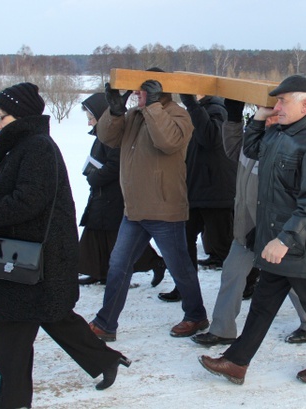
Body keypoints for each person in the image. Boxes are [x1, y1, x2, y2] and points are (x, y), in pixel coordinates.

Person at [0, 82, 130, 409]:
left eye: (1, 116)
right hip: (28, 252)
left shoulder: (37, 148)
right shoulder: (21, 146)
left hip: (37, 256)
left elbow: (27, 201)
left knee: (12, 331)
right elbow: (14, 196)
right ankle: (105, 361)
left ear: (21, 116)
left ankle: (13, 401)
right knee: (54, 316)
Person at [198, 75, 306, 385]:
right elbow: (251, 149)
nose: (277, 106)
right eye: (276, 101)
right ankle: (237, 362)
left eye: (282, 101)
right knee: (263, 304)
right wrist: (259, 117)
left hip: (303, 246)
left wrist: (284, 240)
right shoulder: (281, 131)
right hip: (275, 240)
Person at [89, 68, 208, 341]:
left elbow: (168, 142)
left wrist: (154, 106)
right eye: (139, 90)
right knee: (118, 265)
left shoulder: (179, 115)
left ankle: (196, 315)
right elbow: (107, 137)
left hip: (164, 209)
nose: (139, 95)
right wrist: (115, 111)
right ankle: (106, 323)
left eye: (145, 90)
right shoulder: (134, 116)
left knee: (179, 267)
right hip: (134, 209)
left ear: (159, 91)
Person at [192, 98, 306, 347]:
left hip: (273, 231)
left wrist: (268, 228)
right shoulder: (254, 144)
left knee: (291, 281)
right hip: (246, 230)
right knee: (232, 275)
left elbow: (294, 197)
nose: (267, 119)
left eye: (272, 115)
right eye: (262, 115)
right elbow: (234, 147)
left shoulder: (287, 148)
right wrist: (234, 118)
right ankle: (223, 329)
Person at [77, 93, 166, 287]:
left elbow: (115, 164)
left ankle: (154, 262)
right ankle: (98, 271)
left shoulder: (113, 137)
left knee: (116, 236)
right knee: (96, 232)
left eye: (91, 118)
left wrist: (94, 177)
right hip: (102, 194)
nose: (89, 123)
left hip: (114, 194)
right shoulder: (101, 136)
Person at [158, 93, 235, 302]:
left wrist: (192, 104)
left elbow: (210, 138)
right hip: (195, 189)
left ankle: (248, 280)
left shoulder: (218, 108)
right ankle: (185, 287)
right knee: (184, 242)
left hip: (216, 191)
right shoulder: (197, 110)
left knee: (224, 245)